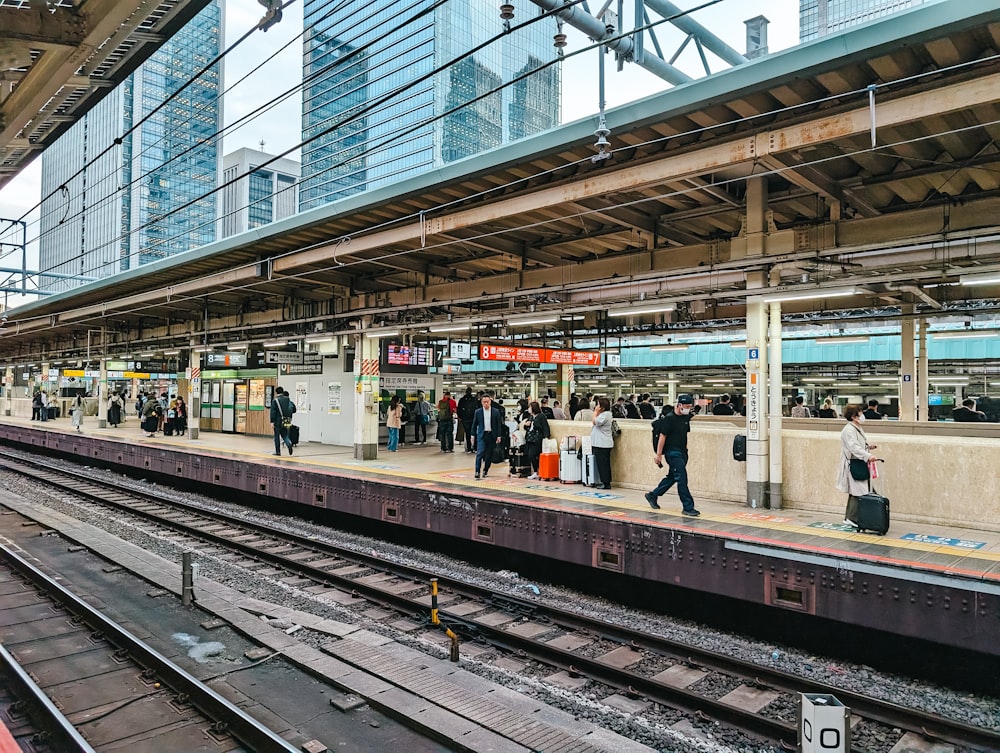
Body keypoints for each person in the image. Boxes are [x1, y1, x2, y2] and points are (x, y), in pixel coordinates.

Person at [644, 394, 700, 516]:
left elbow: (684, 435)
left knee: (673, 477)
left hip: (682, 452)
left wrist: (686, 451)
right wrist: (658, 455)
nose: (688, 409)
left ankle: (653, 495)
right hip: (672, 452)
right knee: (682, 478)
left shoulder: (685, 418)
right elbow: (662, 437)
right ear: (679, 405)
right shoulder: (669, 419)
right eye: (686, 406)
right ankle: (688, 507)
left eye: (690, 407)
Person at [837, 405, 878, 528]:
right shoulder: (849, 430)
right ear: (854, 417)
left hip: (858, 462)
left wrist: (868, 447)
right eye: (860, 413)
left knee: (856, 490)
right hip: (854, 463)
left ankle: (851, 517)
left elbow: (857, 445)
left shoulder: (856, 428)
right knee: (859, 491)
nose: (862, 415)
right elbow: (853, 447)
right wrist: (868, 455)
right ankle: (852, 518)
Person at [472, 394, 504, 479]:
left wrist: (499, 436)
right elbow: (474, 424)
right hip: (482, 435)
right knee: (480, 453)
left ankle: (485, 470)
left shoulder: (496, 411)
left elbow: (498, 425)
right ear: (481, 402)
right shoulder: (478, 412)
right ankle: (477, 471)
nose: (486, 404)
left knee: (489, 455)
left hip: (491, 435)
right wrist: (472, 435)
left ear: (490, 401)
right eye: (484, 402)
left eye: (487, 402)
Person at [590, 396, 614, 489]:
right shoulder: (604, 414)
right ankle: (603, 481)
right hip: (599, 443)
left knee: (603, 464)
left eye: (598, 405)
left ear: (602, 407)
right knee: (601, 464)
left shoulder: (606, 415)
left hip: (603, 444)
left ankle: (606, 483)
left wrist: (595, 412)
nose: (597, 406)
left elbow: (595, 422)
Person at [524, 401, 551, 479]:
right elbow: (527, 428)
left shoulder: (541, 416)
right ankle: (536, 471)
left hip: (537, 439)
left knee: (533, 455)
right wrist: (526, 425)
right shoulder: (531, 417)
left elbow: (545, 427)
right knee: (530, 455)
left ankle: (538, 471)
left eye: (530, 407)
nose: (529, 409)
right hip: (530, 439)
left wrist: (546, 437)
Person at [269, 386, 296, 456]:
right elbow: (292, 409)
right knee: (285, 434)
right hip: (286, 420)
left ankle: (278, 452)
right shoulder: (287, 400)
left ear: (276, 392)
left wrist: (272, 421)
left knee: (276, 436)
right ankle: (289, 443)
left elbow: (273, 412)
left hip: (277, 421)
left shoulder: (275, 400)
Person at [458, 387, 478, 453]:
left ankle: (469, 448)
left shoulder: (462, 400)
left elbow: (459, 410)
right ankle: (475, 447)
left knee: (467, 433)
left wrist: (461, 417)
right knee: (474, 433)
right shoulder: (474, 400)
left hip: (465, 419)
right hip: (473, 419)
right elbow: (477, 409)